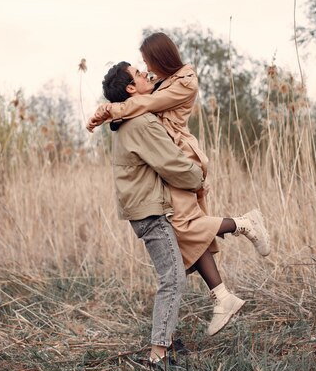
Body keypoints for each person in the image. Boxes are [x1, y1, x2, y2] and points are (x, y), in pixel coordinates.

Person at [87, 35, 270, 337]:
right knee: (185, 230)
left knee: (185, 227)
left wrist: (110, 109)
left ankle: (243, 224)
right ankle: (222, 297)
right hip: (170, 160)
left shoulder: (184, 81)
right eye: (141, 67)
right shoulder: (164, 81)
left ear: (160, 57)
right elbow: (141, 101)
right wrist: (110, 107)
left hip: (181, 158)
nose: (146, 69)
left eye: (146, 62)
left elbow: (146, 103)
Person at [99, 61, 205, 366]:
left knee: (176, 269)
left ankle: (167, 340)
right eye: (139, 73)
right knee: (172, 278)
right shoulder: (141, 123)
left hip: (144, 208)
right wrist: (197, 177)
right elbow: (171, 163)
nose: (146, 73)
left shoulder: (128, 119)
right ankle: (158, 355)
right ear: (131, 88)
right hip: (150, 213)